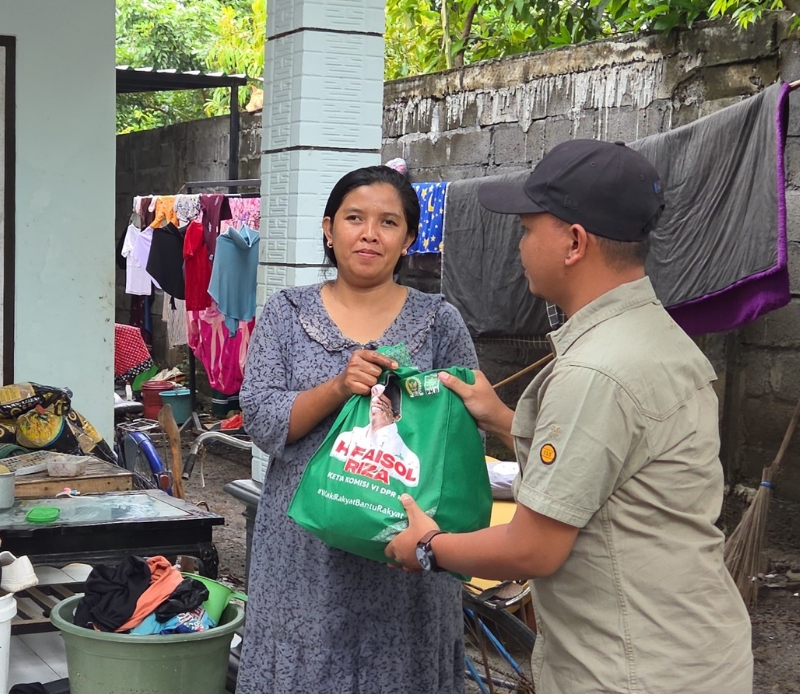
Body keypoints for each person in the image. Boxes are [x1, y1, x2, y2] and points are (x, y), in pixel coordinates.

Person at [386, 139, 754, 693]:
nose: (519, 244)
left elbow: (533, 548)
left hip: (632, 671)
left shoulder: (595, 371)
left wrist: (427, 547)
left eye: (527, 229)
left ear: (575, 243)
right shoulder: (654, 334)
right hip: (693, 651)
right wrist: (501, 418)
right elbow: (611, 461)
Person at [236, 165, 478, 694]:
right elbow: (261, 418)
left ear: (409, 238)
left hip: (404, 550)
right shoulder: (286, 313)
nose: (370, 233)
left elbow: (465, 433)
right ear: (329, 229)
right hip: (305, 552)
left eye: (388, 222)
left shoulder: (440, 321)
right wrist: (339, 387)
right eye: (354, 218)